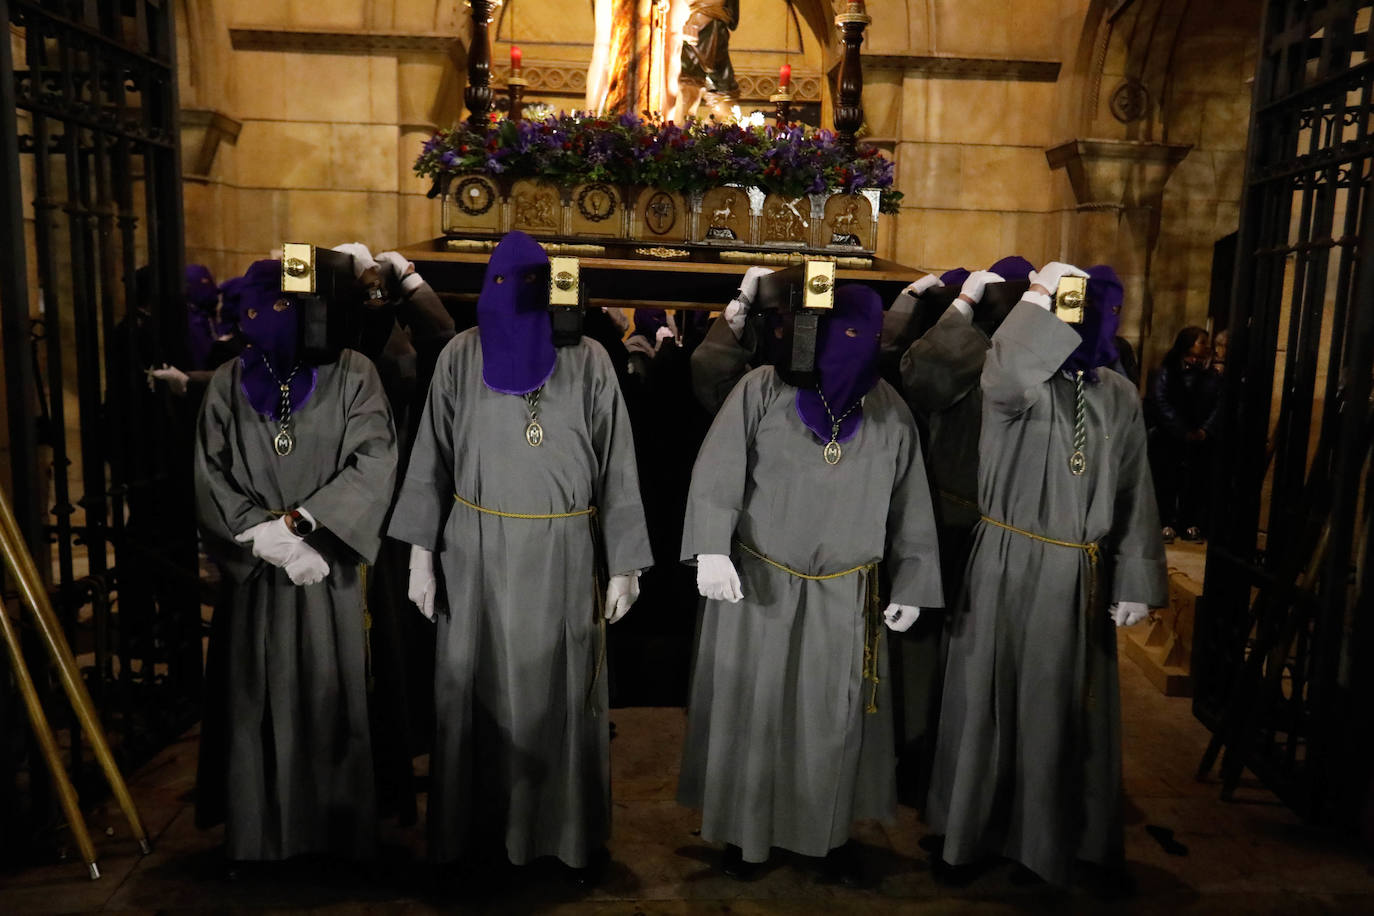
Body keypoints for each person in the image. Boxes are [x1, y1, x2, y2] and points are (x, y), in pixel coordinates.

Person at [388, 231, 652, 880]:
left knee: (557, 699)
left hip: (564, 554)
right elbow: (430, 460)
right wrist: (420, 556)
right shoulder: (459, 357)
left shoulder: (589, 361)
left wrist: (625, 564)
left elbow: (618, 466)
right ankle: (470, 837)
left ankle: (562, 839)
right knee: (471, 692)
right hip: (474, 555)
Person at [677, 284, 944, 884]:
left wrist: (911, 581)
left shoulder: (890, 410)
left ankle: (824, 834)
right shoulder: (762, 390)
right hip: (760, 586)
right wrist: (711, 548)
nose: (856, 348)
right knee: (756, 712)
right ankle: (745, 834)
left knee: (832, 718)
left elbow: (911, 502)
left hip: (844, 594)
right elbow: (717, 469)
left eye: (868, 337)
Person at [925, 261, 1168, 894]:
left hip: (1078, 576)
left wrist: (1136, 577)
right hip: (1006, 561)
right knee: (986, 705)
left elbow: (1137, 490)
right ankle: (967, 834)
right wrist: (1036, 297)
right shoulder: (1017, 383)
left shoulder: (1119, 394)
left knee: (1057, 712)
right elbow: (1005, 373)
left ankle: (1056, 843)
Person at [193, 258, 399, 863]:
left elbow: (375, 456)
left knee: (333, 696)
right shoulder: (229, 381)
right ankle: (262, 835)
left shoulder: (354, 373)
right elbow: (209, 471)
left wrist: (305, 524)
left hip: (328, 571)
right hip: (258, 574)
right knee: (258, 696)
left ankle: (340, 835)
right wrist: (260, 535)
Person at [892, 256, 1032, 804]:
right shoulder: (958, 343)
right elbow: (922, 377)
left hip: (1014, 526)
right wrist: (965, 311)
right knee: (928, 655)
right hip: (949, 519)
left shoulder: (1033, 350)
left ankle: (986, 769)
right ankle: (924, 760)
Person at [1145, 326, 1222, 542]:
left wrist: (1205, 430)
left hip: (1199, 438)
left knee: (1195, 482)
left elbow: (1218, 404)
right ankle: (1165, 522)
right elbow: (1161, 402)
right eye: (1202, 342)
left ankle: (1190, 522)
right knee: (1166, 480)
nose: (1207, 347)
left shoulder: (1210, 376)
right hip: (1168, 437)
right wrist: (1181, 430)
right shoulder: (1166, 372)